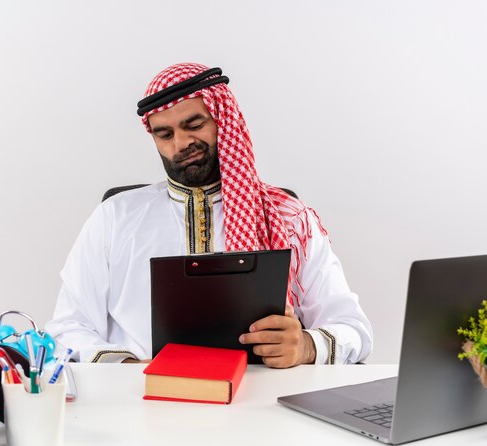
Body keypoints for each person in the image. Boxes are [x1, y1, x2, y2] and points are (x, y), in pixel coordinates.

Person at [47, 63, 373, 367]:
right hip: (141, 402)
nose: (181, 143)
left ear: (223, 120)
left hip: (260, 407)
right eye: (165, 134)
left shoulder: (289, 218)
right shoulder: (115, 217)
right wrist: (129, 367)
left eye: (194, 125)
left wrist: (306, 345)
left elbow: (353, 328)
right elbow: (68, 327)